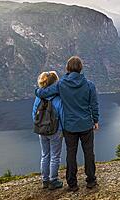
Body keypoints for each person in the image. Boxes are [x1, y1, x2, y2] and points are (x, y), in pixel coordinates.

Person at [35, 56, 99, 192]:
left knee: (71, 153)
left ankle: (72, 183)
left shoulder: (61, 84)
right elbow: (94, 105)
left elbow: (44, 93)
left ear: (67, 68)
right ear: (81, 68)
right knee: (89, 152)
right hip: (86, 124)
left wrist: (37, 92)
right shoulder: (89, 85)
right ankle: (91, 180)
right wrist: (95, 120)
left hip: (69, 126)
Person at [32, 71, 64, 190]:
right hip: (56, 130)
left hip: (42, 130)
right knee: (55, 156)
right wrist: (63, 130)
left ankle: (45, 180)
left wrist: (40, 126)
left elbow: (34, 114)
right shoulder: (57, 97)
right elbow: (61, 114)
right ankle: (53, 180)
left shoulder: (38, 97)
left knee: (45, 155)